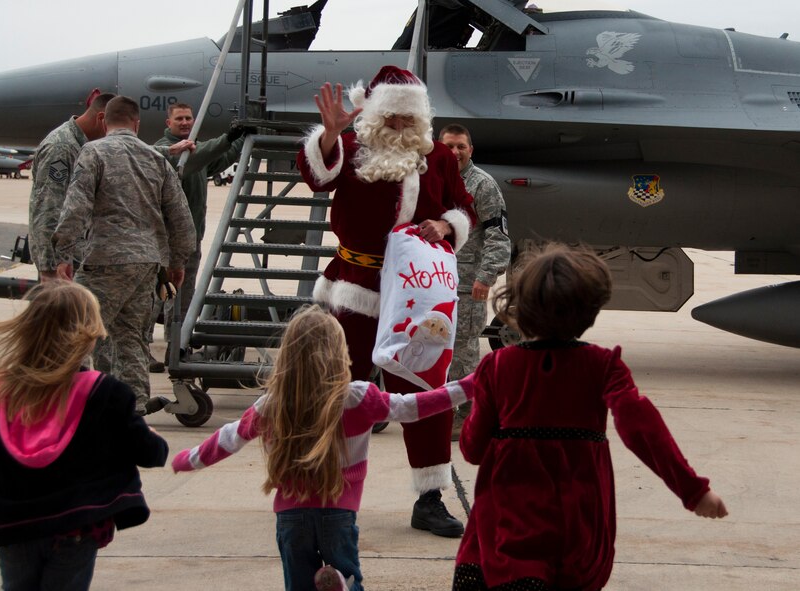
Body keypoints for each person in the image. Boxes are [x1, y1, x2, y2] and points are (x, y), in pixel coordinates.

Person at [452, 243, 728, 591]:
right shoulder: (603, 365)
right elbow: (640, 425)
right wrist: (693, 490)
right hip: (579, 525)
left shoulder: (497, 366)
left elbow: (473, 450)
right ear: (590, 311)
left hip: (508, 527)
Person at [171, 305, 475, 591]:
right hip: (339, 513)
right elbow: (415, 407)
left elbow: (229, 437)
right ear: (339, 354)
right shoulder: (358, 397)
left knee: (299, 583)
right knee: (349, 573)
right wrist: (471, 384)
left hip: (291, 516)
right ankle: (343, 586)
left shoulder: (272, 404)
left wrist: (189, 460)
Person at [296, 65, 476, 538]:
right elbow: (318, 176)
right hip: (356, 285)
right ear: (375, 116)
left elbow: (464, 208)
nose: (399, 128)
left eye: (406, 120)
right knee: (340, 389)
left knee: (423, 391)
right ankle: (325, 485)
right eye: (390, 119)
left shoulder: (438, 157)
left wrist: (447, 226)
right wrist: (329, 135)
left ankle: (430, 496)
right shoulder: (352, 149)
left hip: (415, 294)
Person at [0, 281, 169, 591]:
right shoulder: (104, 393)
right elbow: (149, 453)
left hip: (13, 526)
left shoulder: (3, 390)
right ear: (87, 333)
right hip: (76, 526)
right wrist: (151, 437)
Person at [52, 96, 196, 415]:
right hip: (147, 263)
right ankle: (134, 406)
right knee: (131, 336)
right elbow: (181, 218)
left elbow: (75, 208)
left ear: (104, 122)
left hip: (104, 260)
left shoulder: (93, 152)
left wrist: (63, 253)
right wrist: (177, 262)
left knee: (83, 332)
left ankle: (80, 404)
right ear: (137, 124)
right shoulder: (156, 159)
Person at [29, 90, 194, 284]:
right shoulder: (61, 148)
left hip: (81, 254)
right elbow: (48, 208)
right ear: (102, 119)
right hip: (62, 264)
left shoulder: (88, 144)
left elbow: (120, 149)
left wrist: (168, 151)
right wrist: (50, 267)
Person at [147, 102, 246, 372]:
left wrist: (240, 140)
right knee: (162, 294)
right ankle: (156, 344)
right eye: (179, 119)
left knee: (183, 293)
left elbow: (218, 160)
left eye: (188, 118)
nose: (185, 122)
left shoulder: (194, 150)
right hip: (168, 239)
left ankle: (175, 343)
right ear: (168, 123)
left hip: (191, 237)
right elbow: (198, 158)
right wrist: (228, 137)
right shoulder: (166, 152)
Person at [438, 124, 511, 441]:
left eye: (461, 147)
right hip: (431, 282)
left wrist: (486, 276)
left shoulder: (483, 186)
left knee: (462, 350)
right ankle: (440, 408)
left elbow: (499, 237)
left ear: (471, 150)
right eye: (449, 146)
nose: (454, 153)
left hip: (467, 285)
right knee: (431, 349)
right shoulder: (431, 179)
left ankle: (468, 415)